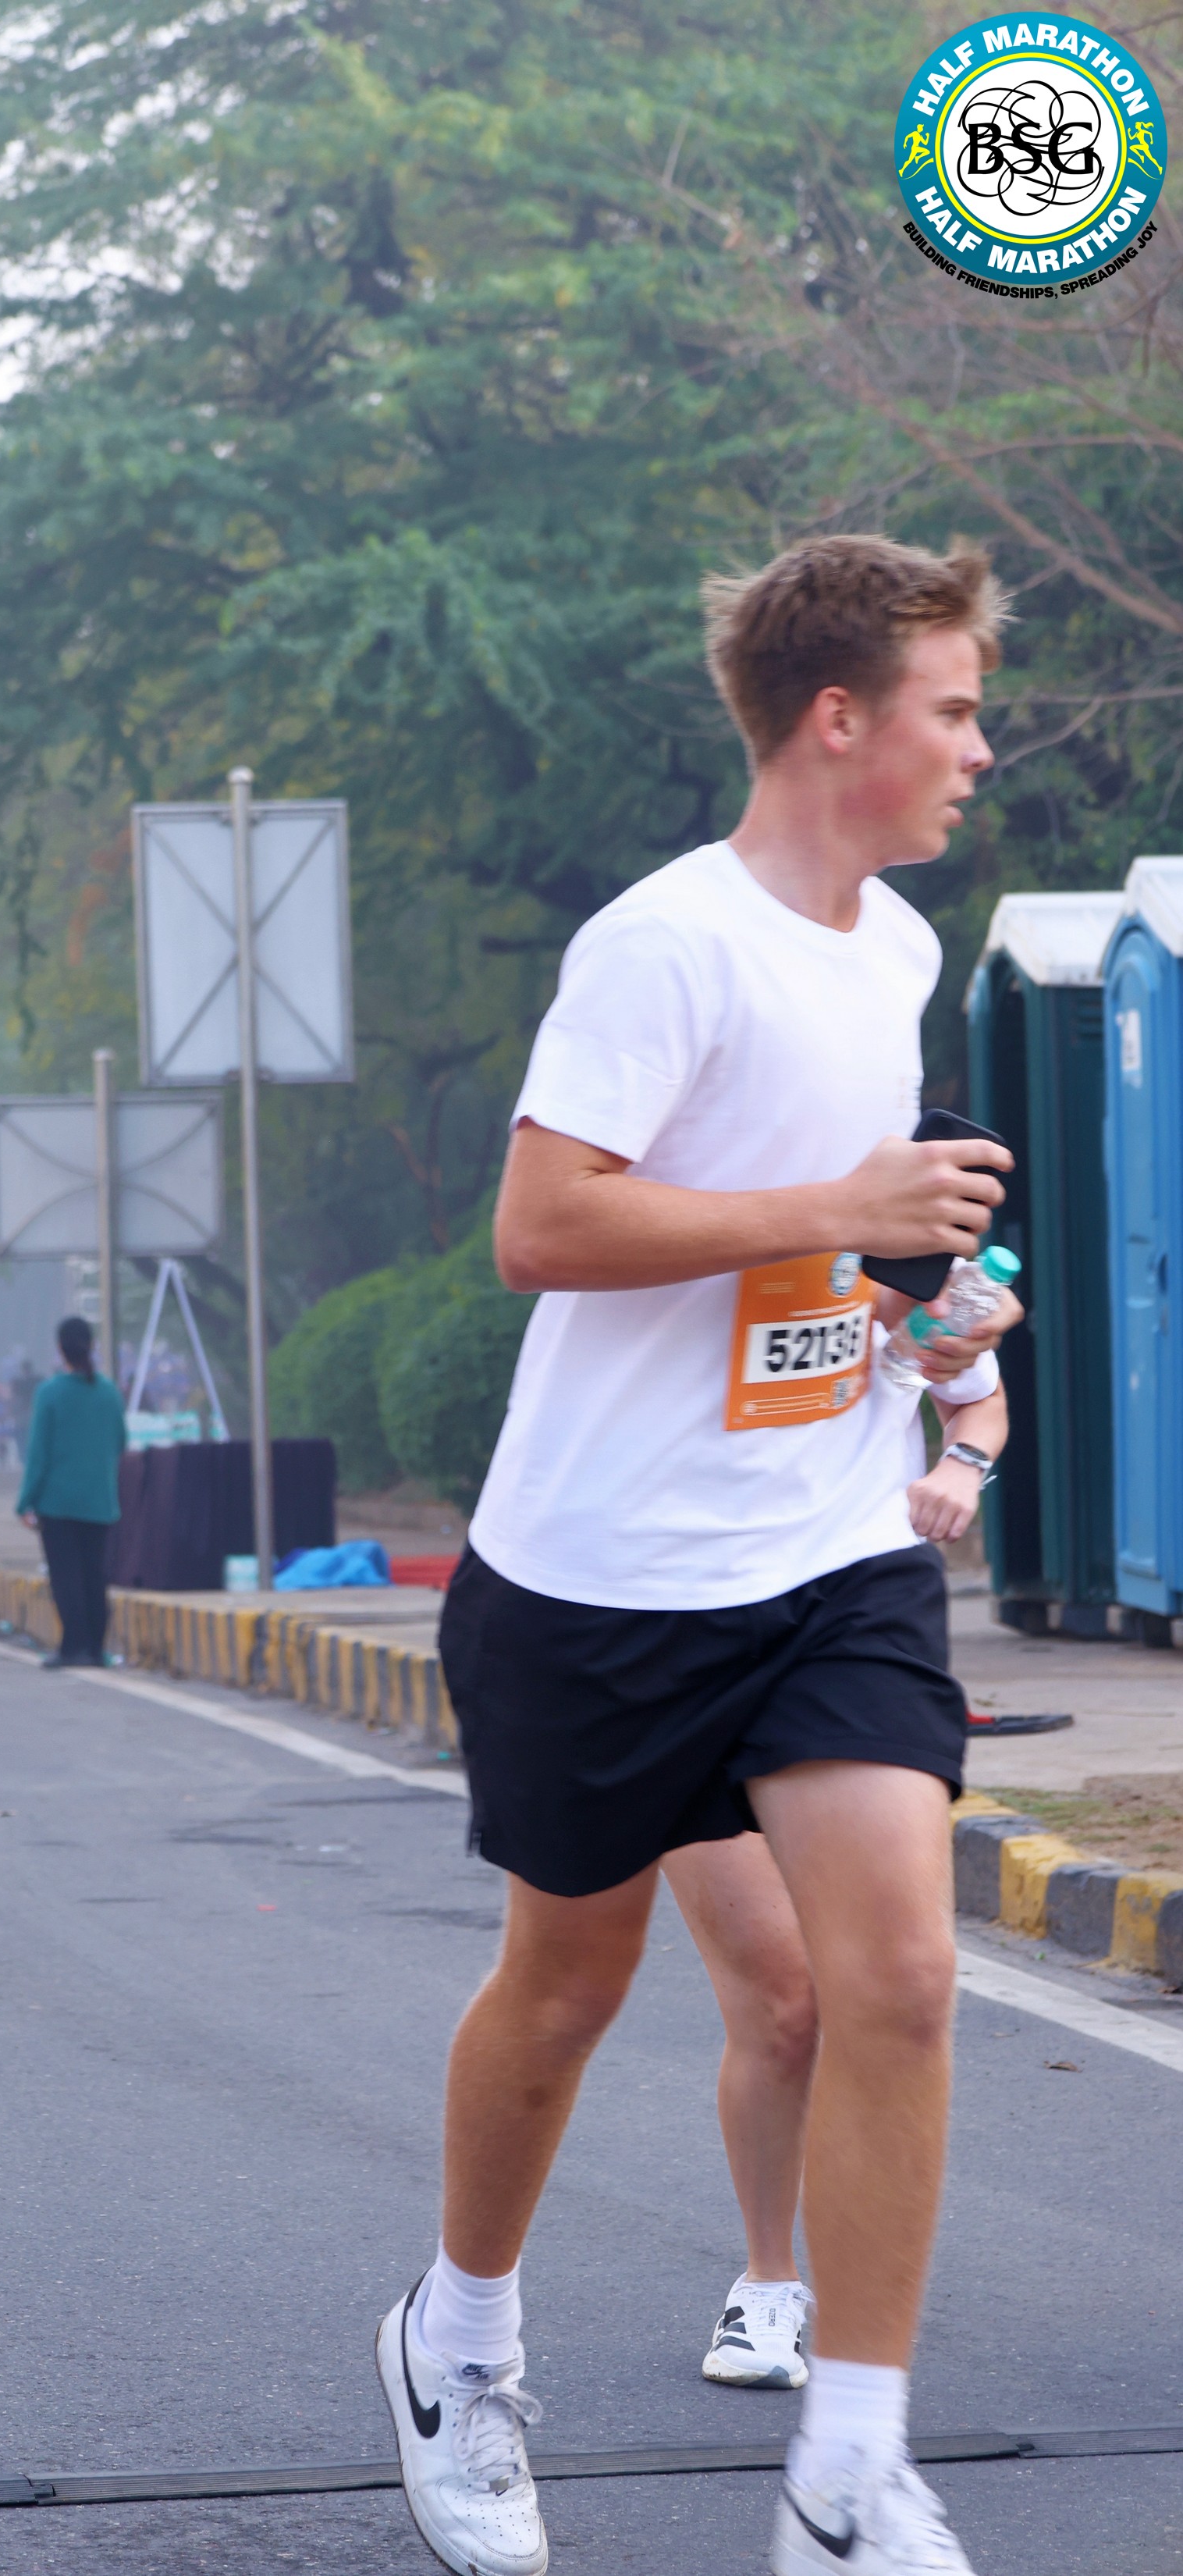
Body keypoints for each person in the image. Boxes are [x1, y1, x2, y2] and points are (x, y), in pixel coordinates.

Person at [377, 534, 1024, 2576]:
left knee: (891, 1977)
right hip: (599, 1573)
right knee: (565, 1988)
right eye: (951, 711)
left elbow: (833, 1246)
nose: (977, 751)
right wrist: (837, 1204)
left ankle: (848, 2468)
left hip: (828, 1545)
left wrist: (926, 1314)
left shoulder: (894, 947)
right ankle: (458, 2339)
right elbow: (543, 1229)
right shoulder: (665, 947)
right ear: (838, 720)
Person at [684, 1362, 1007, 2393]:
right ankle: (768, 2281)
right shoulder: (656, 1268)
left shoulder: (898, 1265)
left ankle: (864, 2398)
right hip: (678, 1632)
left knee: (897, 1985)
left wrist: (960, 1465)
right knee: (779, 2002)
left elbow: (974, 1386)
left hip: (846, 1629)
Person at [16, 1315, 125, 1668]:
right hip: (100, 1501)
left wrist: (25, 1501)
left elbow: (39, 1455)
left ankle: (73, 1647)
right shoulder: (109, 1392)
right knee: (95, 1576)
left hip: (58, 1503)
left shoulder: (50, 1393)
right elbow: (120, 1442)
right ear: (91, 1346)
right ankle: (96, 1648)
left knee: (66, 1578)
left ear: (60, 1349)